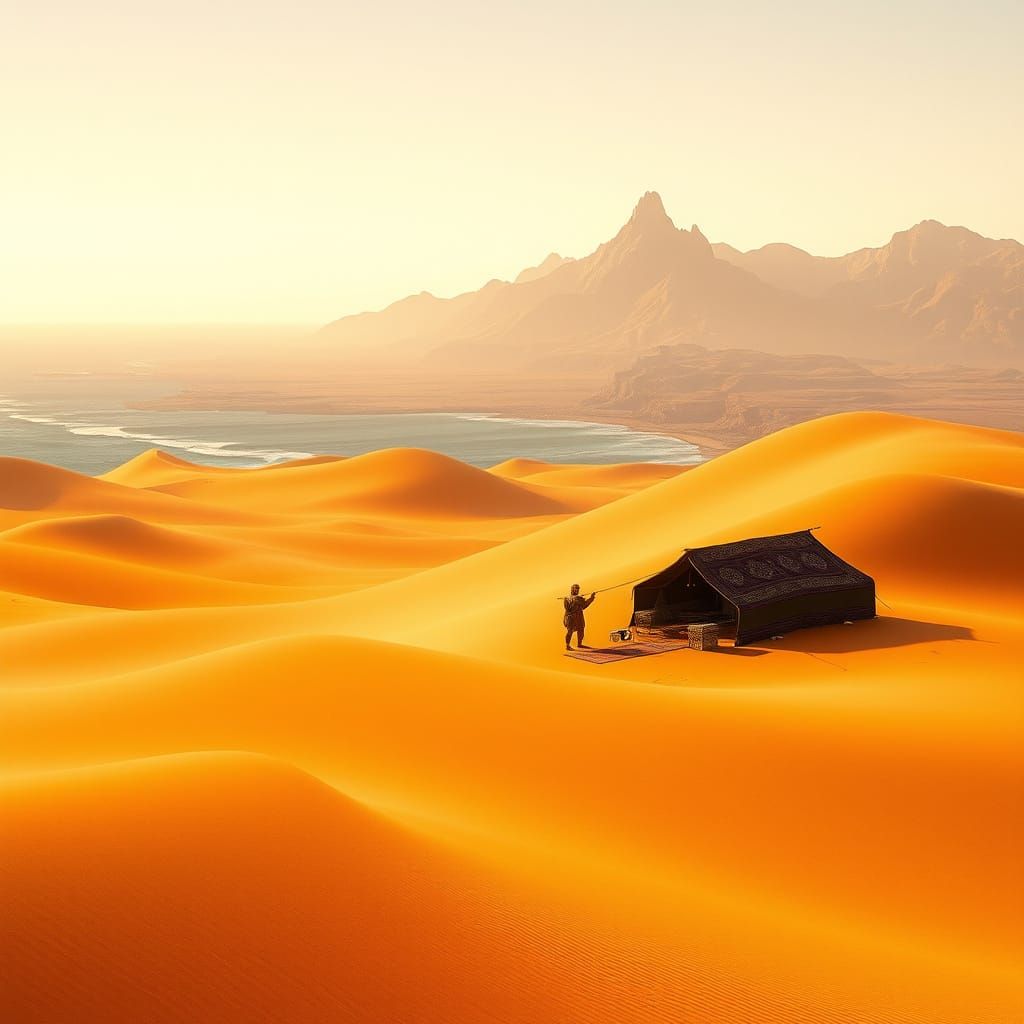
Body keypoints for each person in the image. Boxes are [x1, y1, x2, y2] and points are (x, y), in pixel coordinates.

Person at [563, 583, 596, 650]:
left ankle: (579, 644)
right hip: (570, 617)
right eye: (575, 589)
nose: (577, 590)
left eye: (578, 589)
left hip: (579, 616)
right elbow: (568, 608)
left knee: (581, 629)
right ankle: (567, 645)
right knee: (570, 631)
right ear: (572, 589)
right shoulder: (567, 598)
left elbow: (584, 605)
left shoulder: (579, 598)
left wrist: (590, 598)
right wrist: (577, 600)